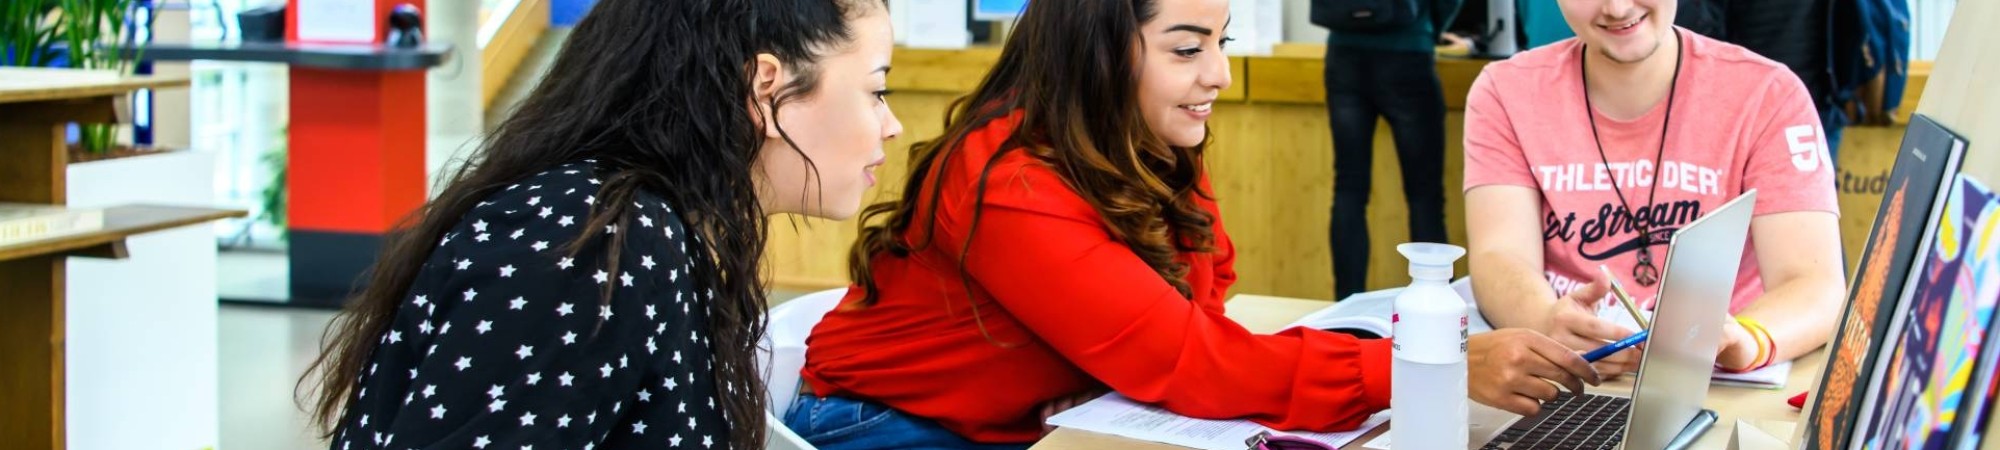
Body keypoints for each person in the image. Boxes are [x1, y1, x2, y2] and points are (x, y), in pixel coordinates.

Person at [794, 0, 1603, 448]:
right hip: (887, 427)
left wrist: (1179, 149)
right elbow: (1189, 357)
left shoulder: (1134, 143)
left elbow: (1203, 305)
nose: (1216, 73)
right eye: (1186, 50)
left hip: (1024, 417)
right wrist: (1427, 366)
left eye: (1222, 42)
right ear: (1099, 55)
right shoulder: (1007, 177)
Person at [296, 0, 902, 448]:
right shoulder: (592, 244)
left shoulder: (661, 231)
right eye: (876, 91)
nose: (890, 124)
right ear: (766, 87)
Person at [1463, 0, 1846, 378]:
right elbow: (1500, 254)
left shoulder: (1769, 94)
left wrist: (1747, 338)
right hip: (1572, 376)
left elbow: (1814, 283)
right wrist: (1545, 320)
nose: (1616, 9)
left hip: (1718, 380)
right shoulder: (1506, 91)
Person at [1315, 0, 1462, 300]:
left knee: (1349, 188)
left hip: (1343, 54)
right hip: (1408, 51)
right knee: (1424, 194)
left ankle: (1346, 305)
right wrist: (1430, 26)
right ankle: (1435, 302)